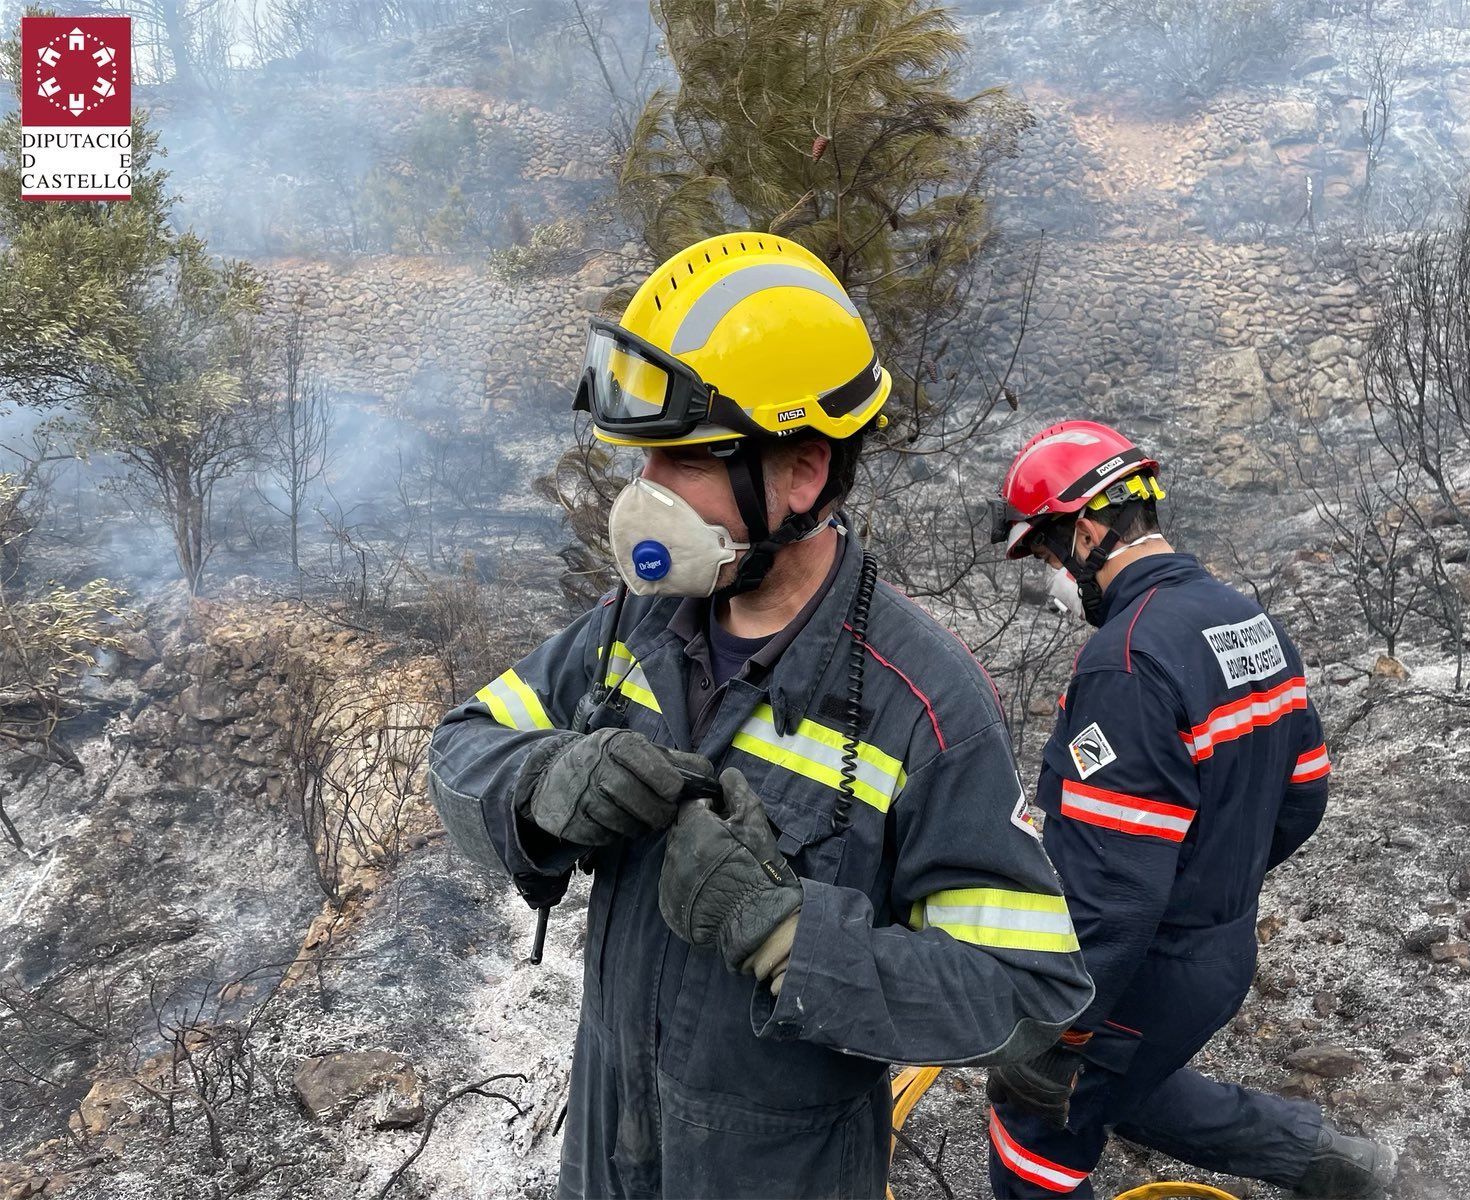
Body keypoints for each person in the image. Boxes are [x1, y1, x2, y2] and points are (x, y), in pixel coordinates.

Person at [428, 233, 1095, 1200]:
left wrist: (790, 936)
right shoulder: (632, 631)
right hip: (610, 1158)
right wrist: (541, 784)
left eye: (683, 461)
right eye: (643, 464)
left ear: (803, 471)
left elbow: (1027, 996)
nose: (645, 498)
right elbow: (462, 749)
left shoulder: (926, 709)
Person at [983, 420, 1398, 1199]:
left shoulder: (1128, 660)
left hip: (1142, 965)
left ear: (1088, 528)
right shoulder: (1247, 619)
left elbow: (1116, 897)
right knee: (1126, 1089)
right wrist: (1214, 876)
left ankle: (1330, 1164)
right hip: (1217, 949)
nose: (1049, 579)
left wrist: (1057, 1031)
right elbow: (1303, 794)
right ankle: (1333, 1164)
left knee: (1034, 1123)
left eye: (1043, 554)